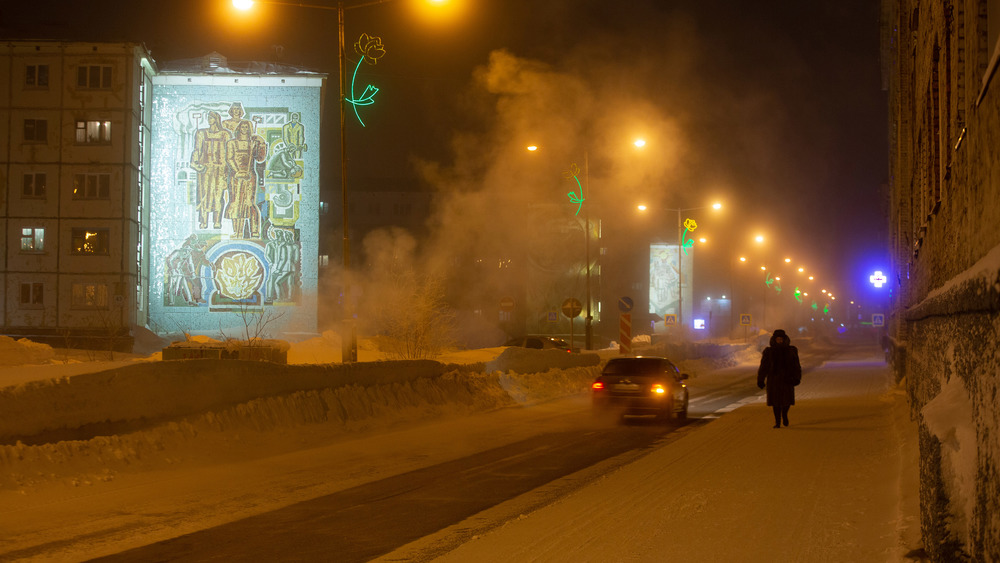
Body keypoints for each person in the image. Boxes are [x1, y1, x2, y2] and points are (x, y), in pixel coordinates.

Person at [757, 328, 802, 428]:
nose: (780, 341)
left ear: (785, 339)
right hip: (774, 380)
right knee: (775, 402)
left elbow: (796, 366)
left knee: (786, 401)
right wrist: (760, 379)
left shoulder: (791, 351)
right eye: (778, 339)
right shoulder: (769, 352)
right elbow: (764, 367)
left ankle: (784, 415)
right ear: (774, 340)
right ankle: (777, 422)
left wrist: (797, 377)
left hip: (787, 379)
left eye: (781, 339)